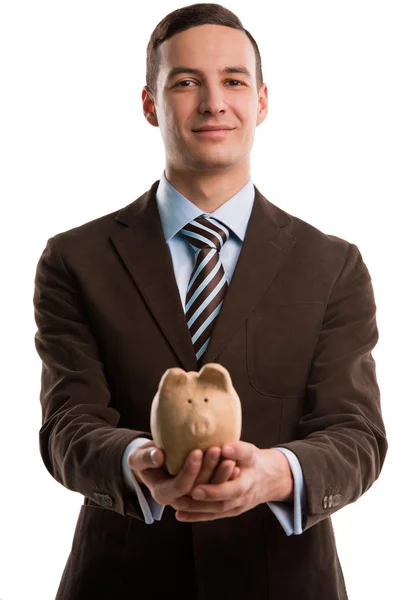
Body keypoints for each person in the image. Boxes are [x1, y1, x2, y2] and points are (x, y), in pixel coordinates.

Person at [32, 3, 388, 599]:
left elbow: (356, 434)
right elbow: (67, 425)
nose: (213, 102)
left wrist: (275, 474)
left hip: (282, 582)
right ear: (150, 104)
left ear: (262, 101)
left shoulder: (333, 266)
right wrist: (139, 463)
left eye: (233, 80)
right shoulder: (75, 260)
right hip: (121, 581)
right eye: (186, 81)